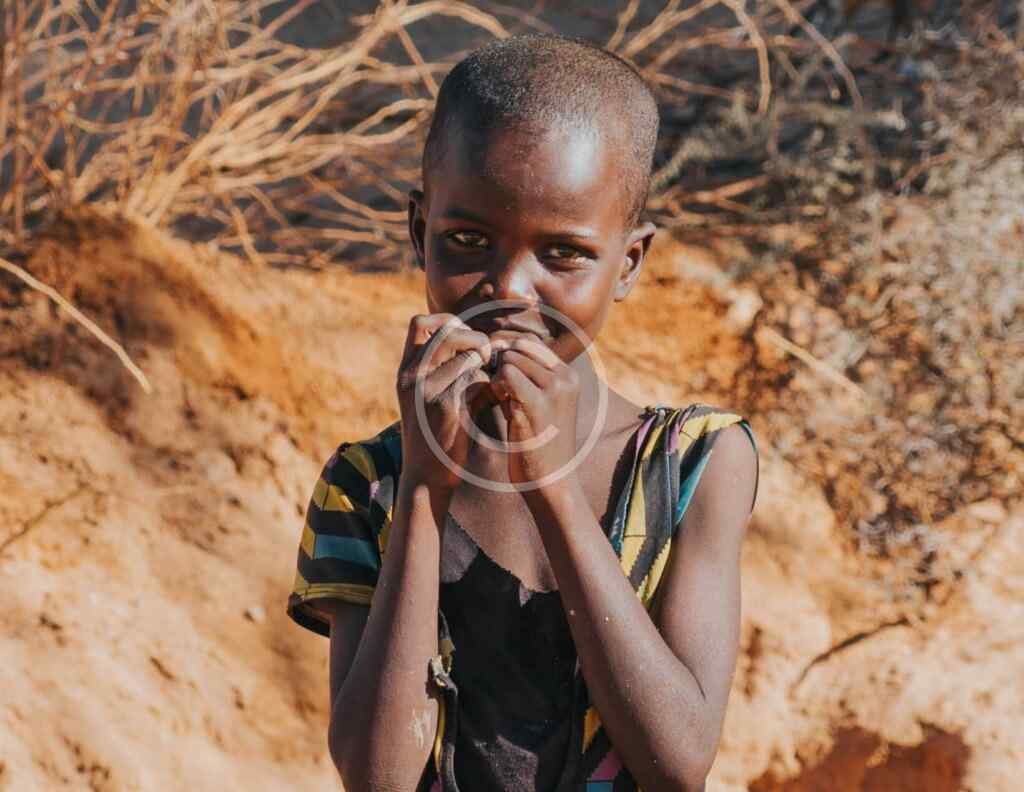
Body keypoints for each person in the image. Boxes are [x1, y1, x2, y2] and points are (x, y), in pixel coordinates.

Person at [286, 33, 759, 792]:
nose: (509, 288)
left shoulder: (694, 464)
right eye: (467, 240)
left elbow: (678, 762)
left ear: (629, 263)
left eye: (563, 254)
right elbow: (377, 777)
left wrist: (552, 488)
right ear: (419, 233)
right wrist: (423, 494)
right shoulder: (368, 485)